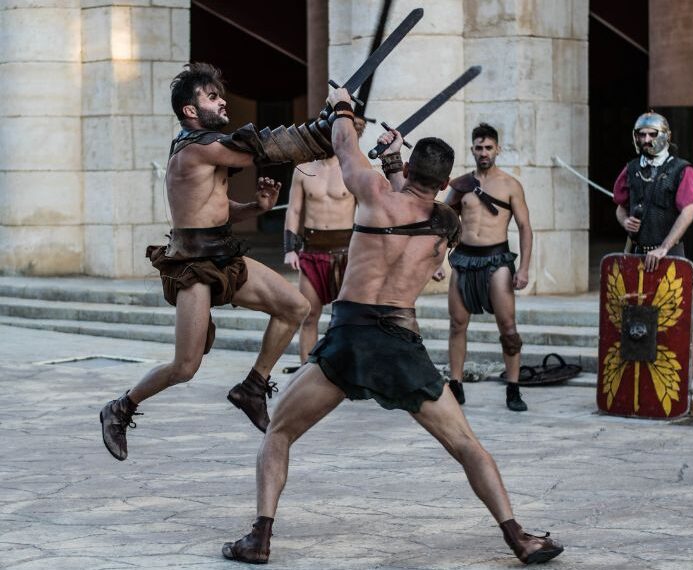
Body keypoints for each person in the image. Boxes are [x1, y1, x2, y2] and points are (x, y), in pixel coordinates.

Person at [221, 88, 564, 566]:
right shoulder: (446, 222)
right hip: (401, 343)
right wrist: (395, 159)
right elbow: (415, 200)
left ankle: (259, 536)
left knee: (277, 433)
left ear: (411, 168)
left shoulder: (373, 194)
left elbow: (343, 146)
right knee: (466, 445)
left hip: (349, 339)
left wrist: (342, 106)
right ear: (445, 180)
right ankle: (519, 537)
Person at [99, 62, 313, 461]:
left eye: (220, 94)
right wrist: (325, 129)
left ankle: (252, 387)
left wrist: (256, 206)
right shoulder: (197, 147)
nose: (221, 100)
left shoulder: (207, 147)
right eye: (211, 96)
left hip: (224, 254)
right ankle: (120, 407)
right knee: (185, 366)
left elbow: (213, 209)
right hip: (194, 264)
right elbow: (255, 153)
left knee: (295, 306)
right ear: (190, 111)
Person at [443, 123, 533, 412]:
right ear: (472, 149)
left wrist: (524, 269)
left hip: (497, 259)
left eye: (488, 148)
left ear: (497, 149)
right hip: (464, 258)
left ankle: (514, 388)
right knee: (457, 324)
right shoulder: (461, 184)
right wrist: (435, 261)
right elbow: (442, 223)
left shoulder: (510, 185)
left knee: (508, 327)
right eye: (479, 148)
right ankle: (456, 384)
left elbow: (525, 228)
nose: (484, 153)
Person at [283, 117, 366, 364]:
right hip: (311, 250)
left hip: (345, 253)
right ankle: (306, 370)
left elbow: (368, 212)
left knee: (345, 318)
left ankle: (344, 369)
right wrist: (290, 249)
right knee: (309, 314)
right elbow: (294, 211)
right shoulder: (303, 170)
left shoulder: (356, 169)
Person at [614, 111, 693, 272]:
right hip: (636, 253)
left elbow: (687, 213)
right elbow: (620, 207)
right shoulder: (631, 169)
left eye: (652, 134)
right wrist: (625, 221)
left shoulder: (681, 170)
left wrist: (664, 247)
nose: (646, 140)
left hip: (669, 254)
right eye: (642, 135)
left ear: (666, 136)